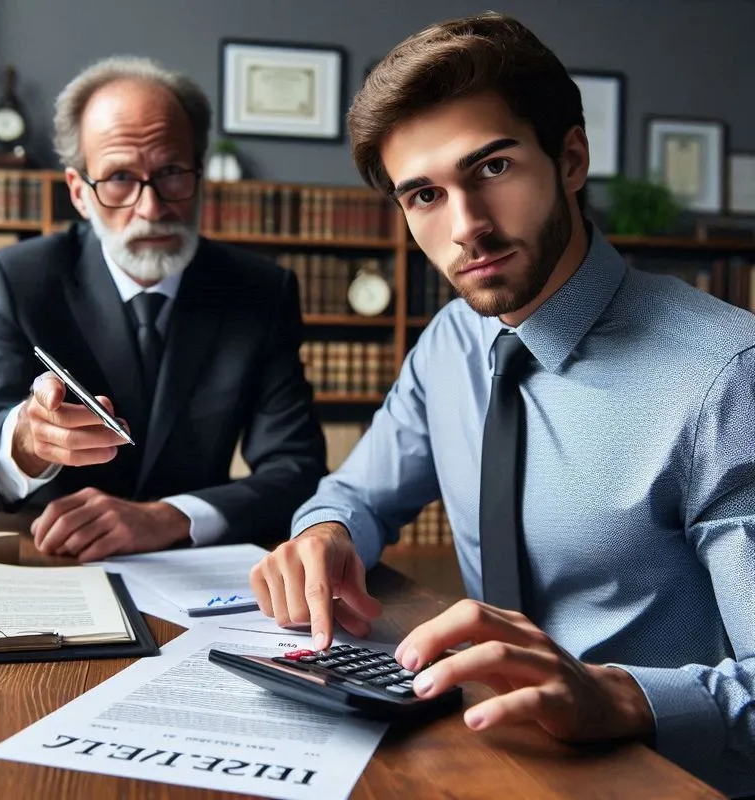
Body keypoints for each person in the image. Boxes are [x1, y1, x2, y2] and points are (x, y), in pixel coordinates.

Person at [249, 12, 755, 797]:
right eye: (425, 195)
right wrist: (324, 533)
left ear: (572, 157)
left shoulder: (727, 377)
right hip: (476, 759)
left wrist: (621, 695)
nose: (468, 230)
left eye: (492, 169)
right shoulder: (453, 342)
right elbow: (356, 493)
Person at [0, 56, 326, 561]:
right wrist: (23, 440)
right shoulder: (18, 280)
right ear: (79, 193)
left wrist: (169, 516)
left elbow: (297, 468)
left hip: (196, 562)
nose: (151, 208)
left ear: (201, 174)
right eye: (119, 178)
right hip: (49, 555)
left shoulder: (262, 291)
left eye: (172, 172)